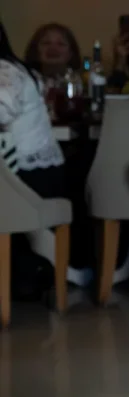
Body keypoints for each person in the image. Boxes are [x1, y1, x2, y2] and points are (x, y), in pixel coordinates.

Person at [0, 21, 66, 298]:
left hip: (30, 174)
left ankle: (31, 271)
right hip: (32, 170)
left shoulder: (5, 71)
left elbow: (2, 111)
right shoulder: (17, 68)